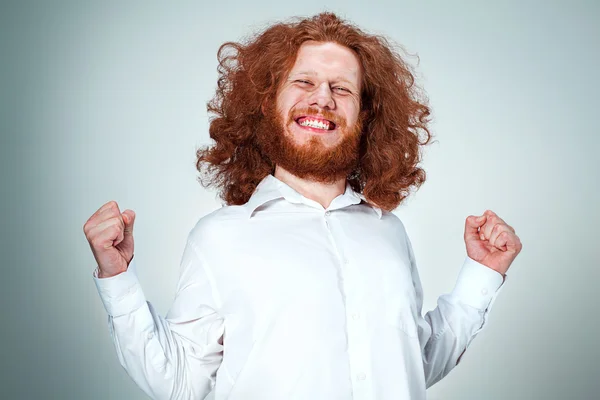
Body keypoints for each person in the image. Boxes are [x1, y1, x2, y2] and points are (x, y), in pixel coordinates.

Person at [83, 12, 522, 400]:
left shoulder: (388, 231)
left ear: (365, 115)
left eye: (342, 88)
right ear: (267, 103)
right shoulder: (220, 237)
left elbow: (413, 364)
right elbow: (180, 383)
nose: (323, 98)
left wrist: (483, 274)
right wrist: (116, 277)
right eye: (304, 82)